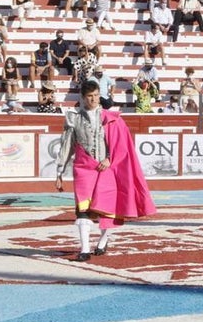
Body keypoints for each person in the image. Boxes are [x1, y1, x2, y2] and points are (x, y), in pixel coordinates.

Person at [54, 80, 156, 262]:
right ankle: (84, 250)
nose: (93, 99)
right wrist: (59, 172)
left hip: (105, 167)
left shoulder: (109, 117)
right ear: (83, 98)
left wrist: (110, 159)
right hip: (84, 168)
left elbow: (120, 144)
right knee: (82, 209)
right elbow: (67, 145)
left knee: (107, 208)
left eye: (96, 96)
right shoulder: (73, 117)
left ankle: (103, 238)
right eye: (89, 96)